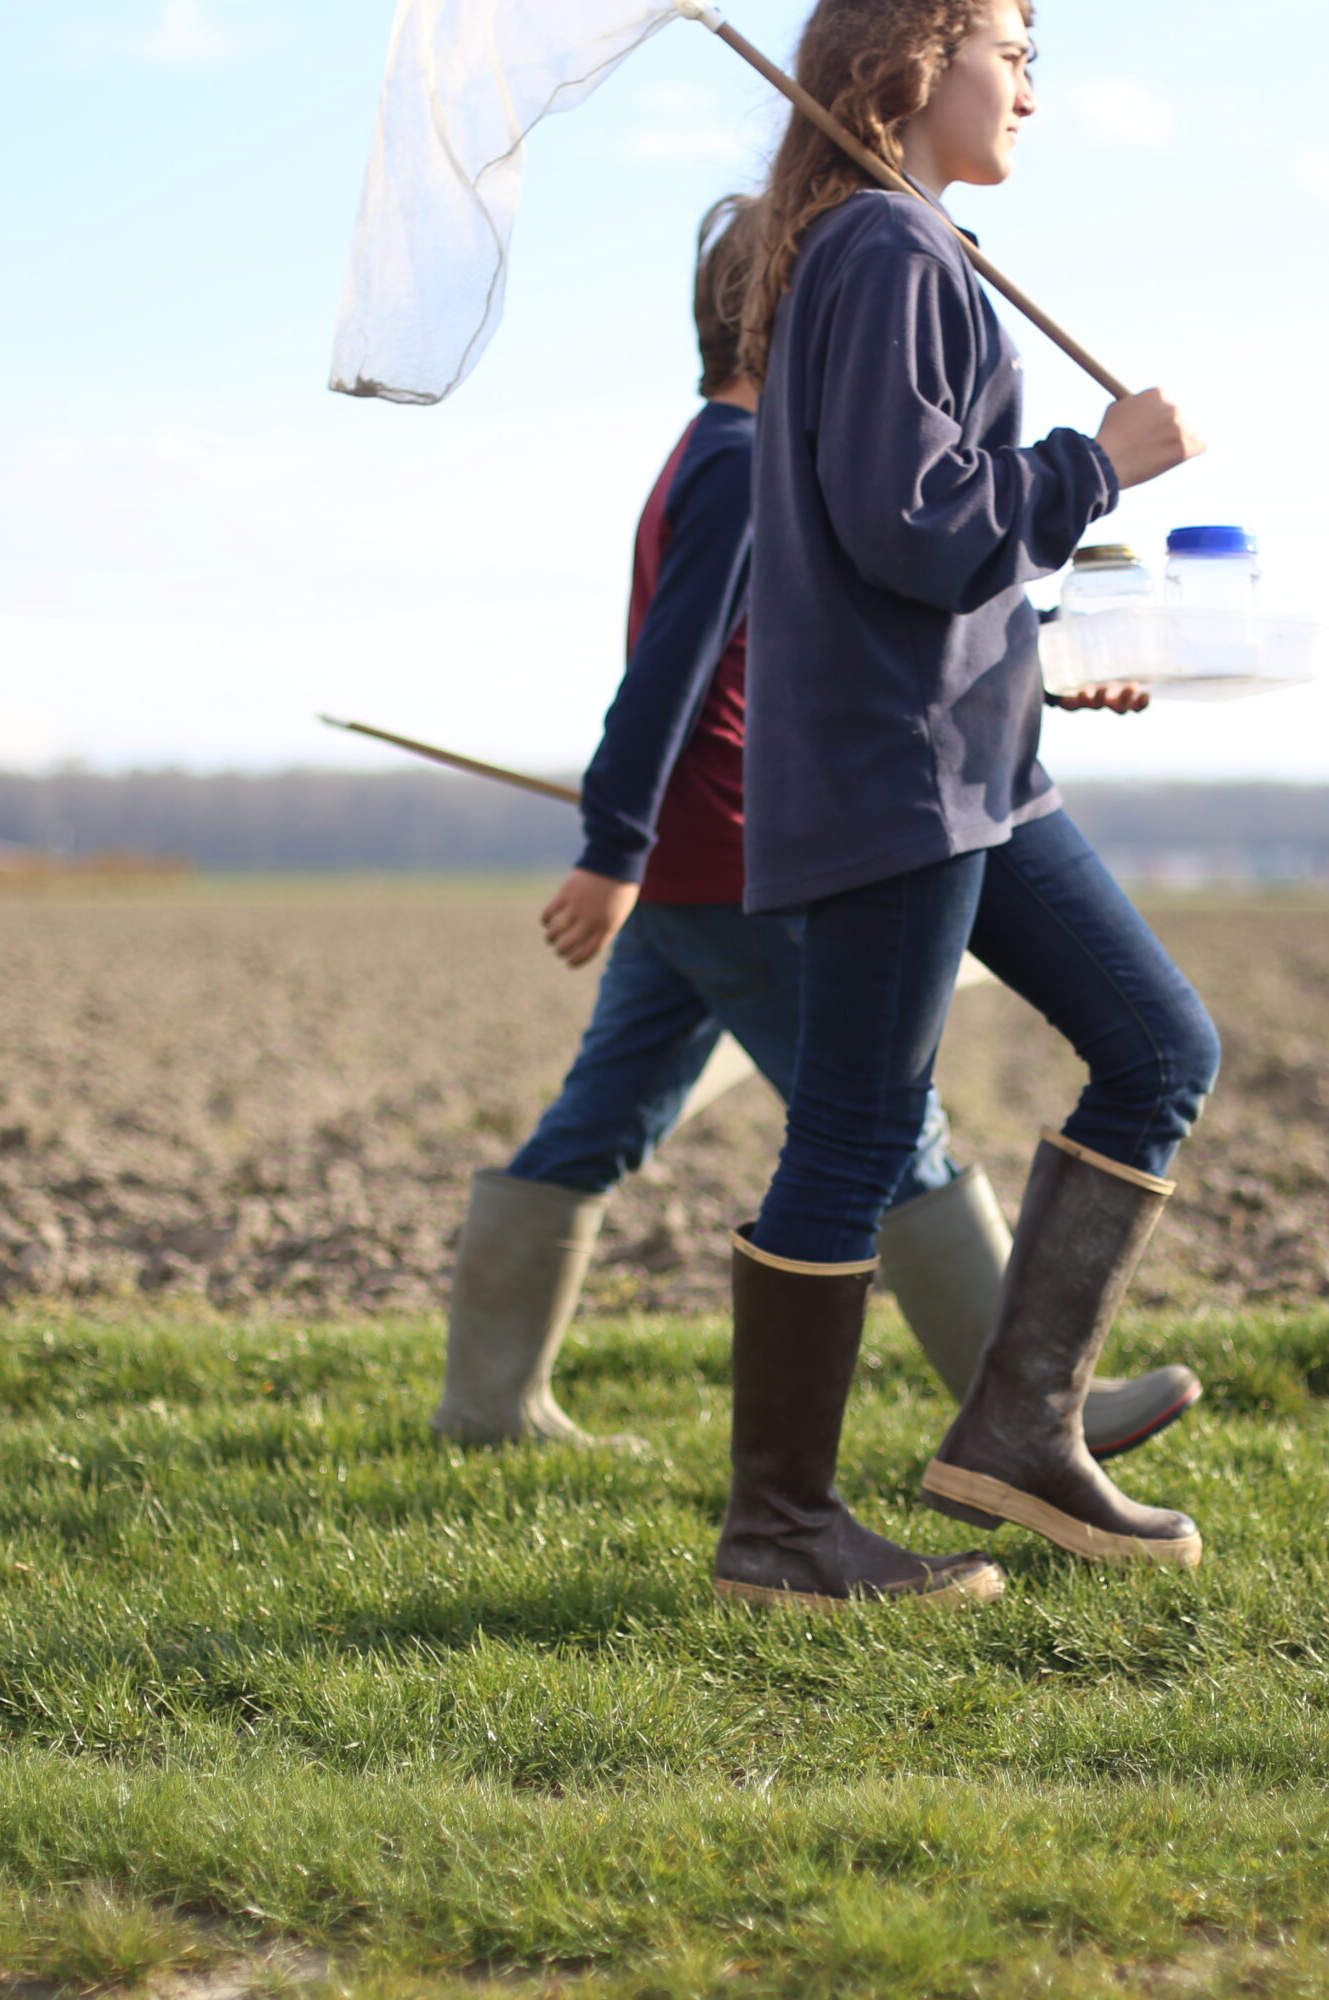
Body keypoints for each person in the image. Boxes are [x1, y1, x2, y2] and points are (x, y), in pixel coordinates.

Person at [433, 193, 1201, 1461]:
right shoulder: (741, 468)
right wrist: (614, 846)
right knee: (889, 1124)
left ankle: (488, 1404)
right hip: (736, 865)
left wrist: (1046, 672)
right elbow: (671, 673)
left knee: (601, 1118)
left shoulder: (718, 455)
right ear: (785, 316)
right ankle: (1024, 1409)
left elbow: (844, 645)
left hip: (704, 865)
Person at [707, 0, 1221, 1611]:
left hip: (972, 762)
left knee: (1159, 1047)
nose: (1031, 87)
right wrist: (1101, 461)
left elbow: (914, 572)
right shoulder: (886, 253)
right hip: (900, 783)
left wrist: (1041, 665)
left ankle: (1019, 1425)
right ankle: (782, 1533)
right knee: (857, 1132)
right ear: (911, 60)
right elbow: (915, 527)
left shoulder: (896, 246)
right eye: (1012, 46)